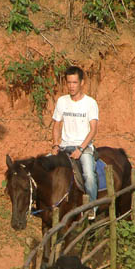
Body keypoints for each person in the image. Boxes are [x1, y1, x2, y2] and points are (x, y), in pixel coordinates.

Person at [51, 65, 99, 220]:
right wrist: (55, 144)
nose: (71, 86)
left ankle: (91, 207)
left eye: (74, 83)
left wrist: (80, 149)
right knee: (43, 167)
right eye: (69, 83)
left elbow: (93, 130)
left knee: (89, 175)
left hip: (83, 147)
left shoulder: (90, 103)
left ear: (82, 83)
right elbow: (56, 125)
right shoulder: (62, 101)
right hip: (64, 146)